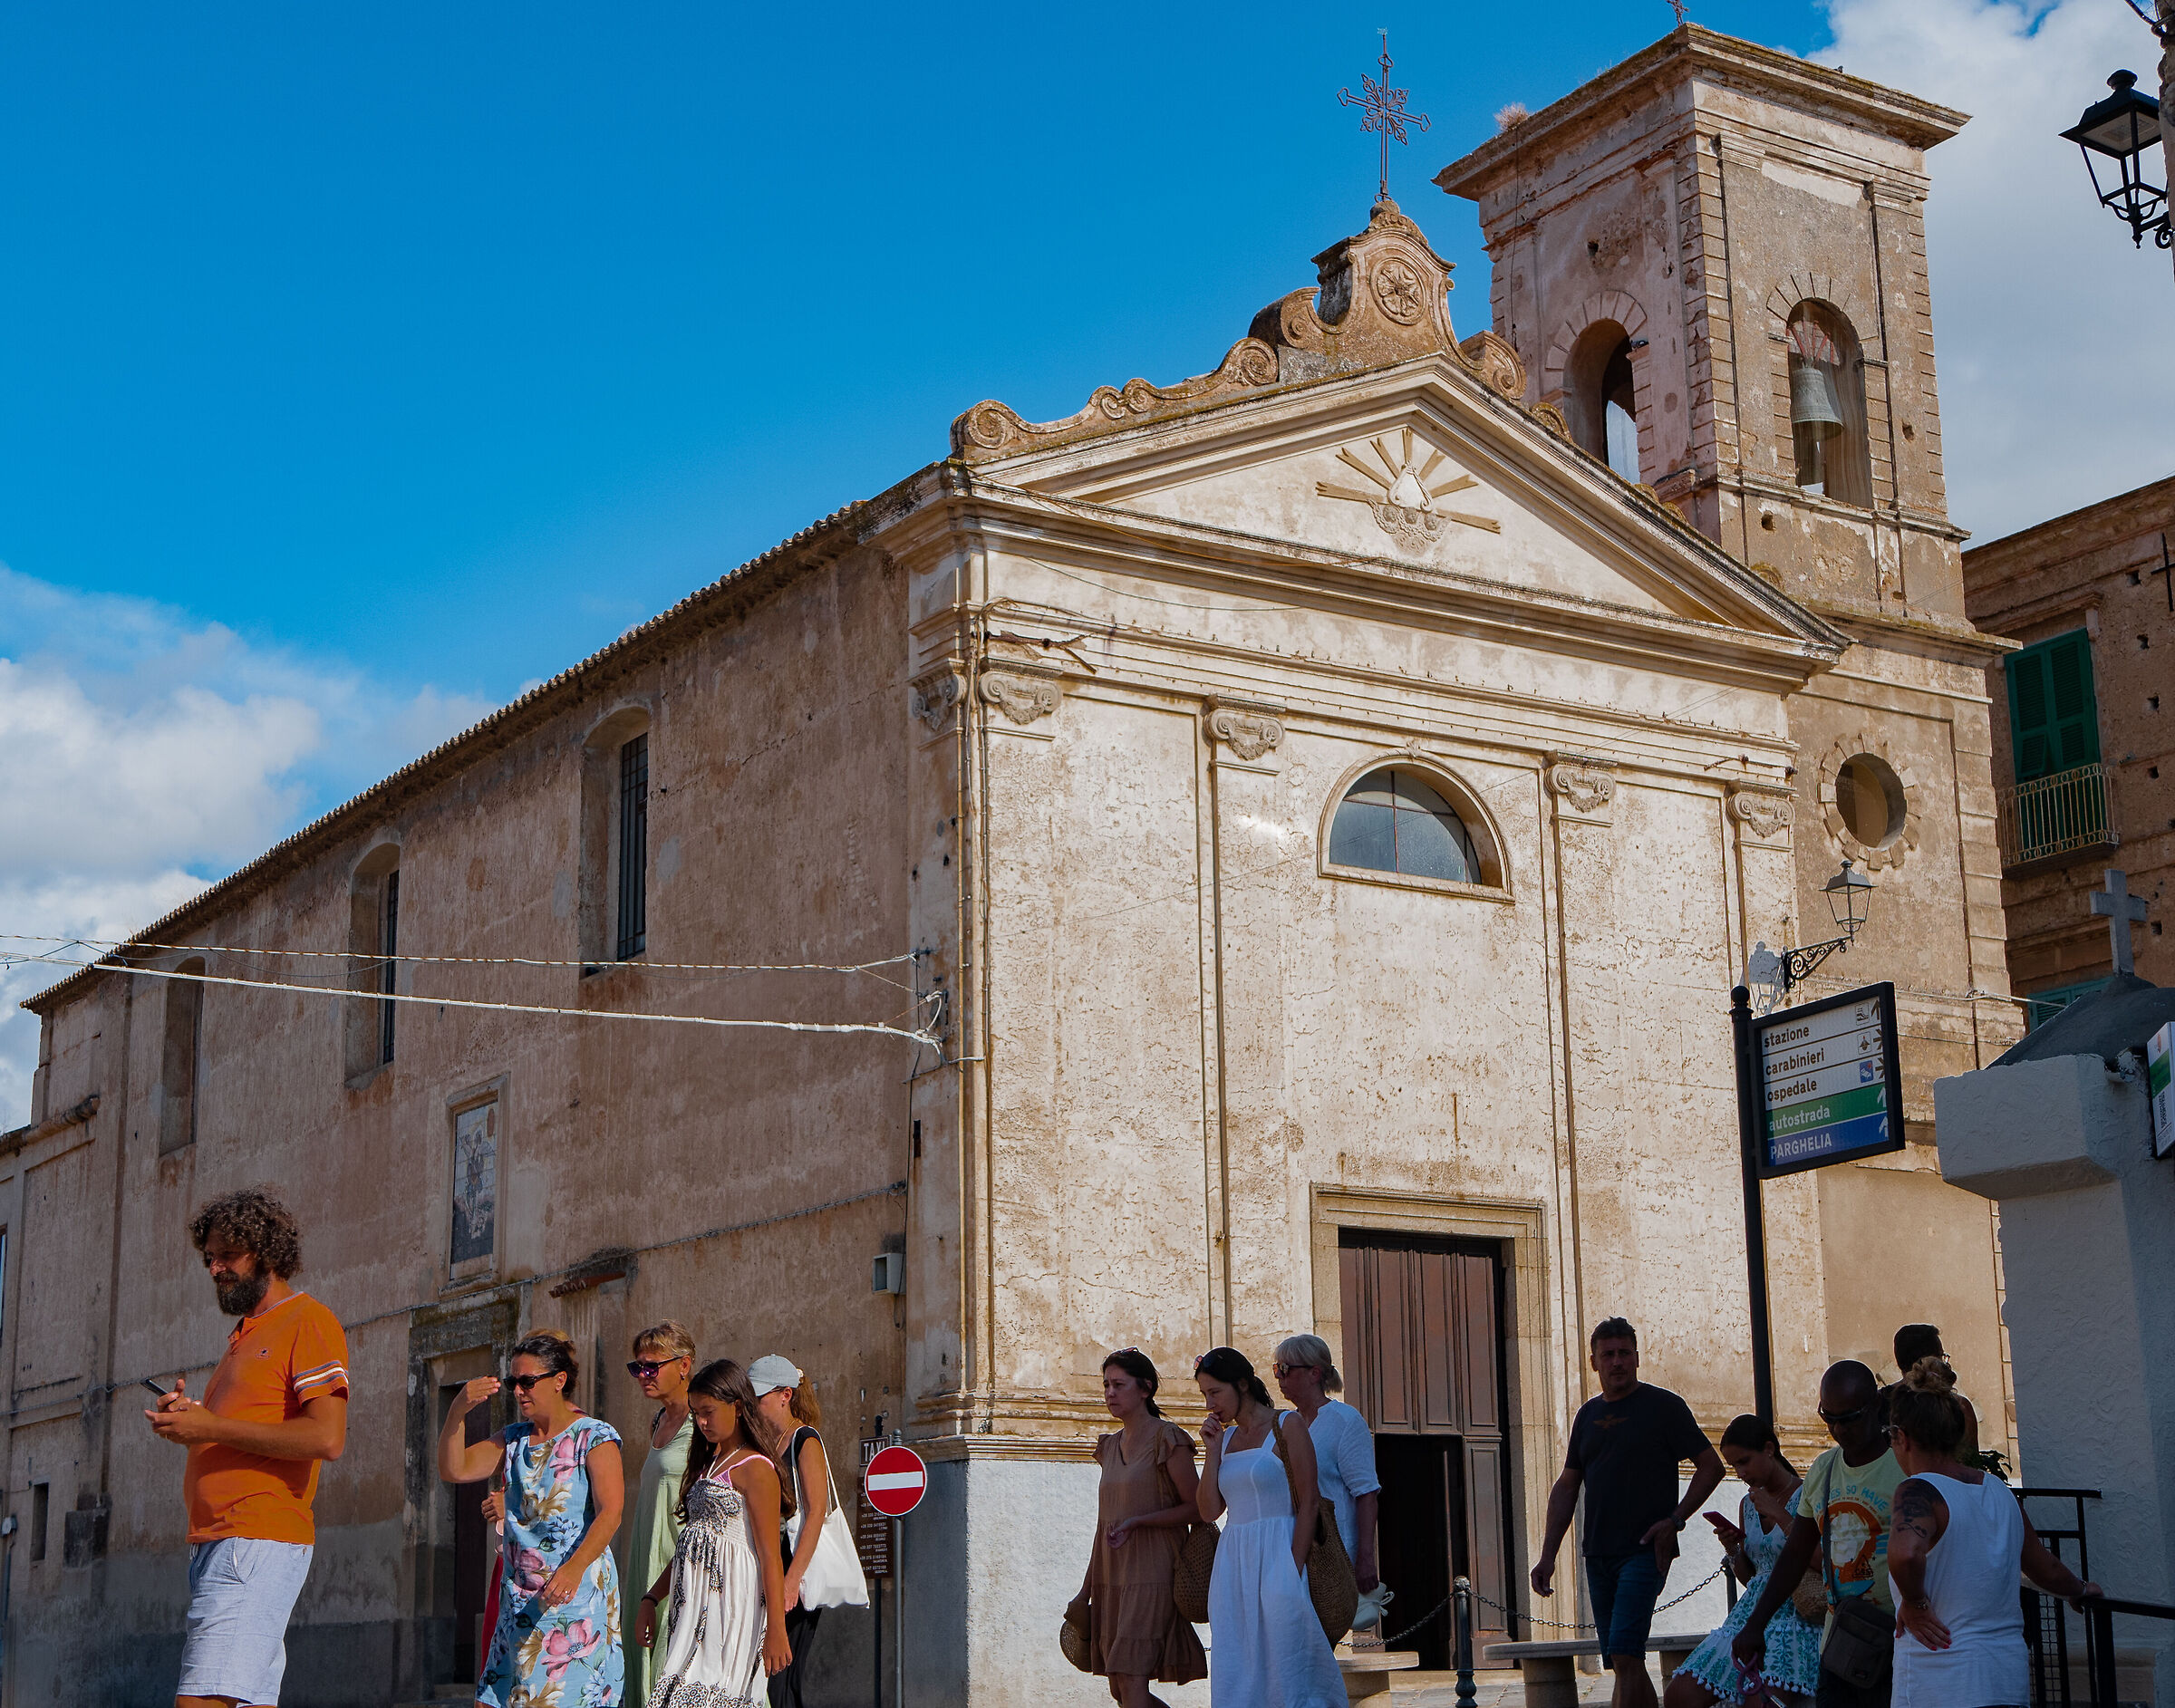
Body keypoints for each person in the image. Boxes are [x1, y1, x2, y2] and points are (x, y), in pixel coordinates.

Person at [144, 1188, 351, 1708]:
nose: (216, 1268)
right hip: (224, 1544)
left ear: (267, 1252)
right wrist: (190, 1421)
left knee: (200, 1701)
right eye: (209, 1258)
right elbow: (231, 1430)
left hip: (253, 1540)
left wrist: (211, 1426)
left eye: (228, 1255)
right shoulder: (244, 1337)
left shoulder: (307, 1321)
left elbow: (326, 1438)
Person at [1532, 1318, 1725, 1708]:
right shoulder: (1586, 1416)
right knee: (1625, 1662)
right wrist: (1547, 1556)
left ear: (1637, 1358)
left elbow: (1711, 1466)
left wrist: (1675, 1521)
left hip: (1645, 1551)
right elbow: (1567, 1486)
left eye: (1624, 1353)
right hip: (1598, 1555)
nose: (1617, 1361)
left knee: (1624, 1652)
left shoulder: (1664, 1407)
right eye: (1608, 1355)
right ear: (1594, 1362)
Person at [1887, 1356, 2100, 1707]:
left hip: (1942, 1683)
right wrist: (2080, 1589)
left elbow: (1905, 1553)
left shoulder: (1918, 1490)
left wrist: (1915, 1604)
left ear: (1902, 1438)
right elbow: (2043, 1566)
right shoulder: (1999, 1491)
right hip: (2006, 1679)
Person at [439, 1328, 625, 1708]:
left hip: (573, 1604)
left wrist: (573, 1570)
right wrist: (457, 1410)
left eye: (528, 1381)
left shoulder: (594, 1436)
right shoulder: (513, 1439)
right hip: (518, 1603)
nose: (519, 1391)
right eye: (513, 1383)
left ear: (559, 1380)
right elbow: (454, 1468)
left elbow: (611, 1512)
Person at [1732, 1361, 1900, 1708]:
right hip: (1841, 1645)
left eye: (1849, 1418)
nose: (1838, 1429)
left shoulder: (1903, 1468)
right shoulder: (1823, 1469)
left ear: (1875, 1406)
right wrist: (1756, 1624)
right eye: (1829, 1418)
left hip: (1898, 1644)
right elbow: (1795, 1554)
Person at [1194, 1346, 1345, 1708]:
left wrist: (1291, 1570)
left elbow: (1309, 1502)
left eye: (1215, 1392)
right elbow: (1209, 1511)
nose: (1210, 1403)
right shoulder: (1225, 1439)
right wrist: (1212, 1451)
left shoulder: (1287, 1425)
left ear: (1242, 1384)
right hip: (1234, 1562)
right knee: (1237, 1659)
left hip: (1281, 1553)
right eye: (1204, 1394)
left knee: (1287, 1659)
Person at [637, 1358, 794, 1704]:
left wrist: (777, 1628)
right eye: (696, 1414)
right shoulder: (707, 1465)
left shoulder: (756, 1469)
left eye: (708, 1412)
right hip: (691, 1610)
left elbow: (770, 1556)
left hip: (731, 1611)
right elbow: (692, 1546)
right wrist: (651, 1598)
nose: (701, 1422)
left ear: (737, 1407)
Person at [1068, 1348, 1207, 1706]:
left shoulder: (1169, 1439)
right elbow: (1104, 1525)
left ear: (1145, 1388)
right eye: (1106, 1385)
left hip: (1155, 1572)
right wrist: (1085, 1590)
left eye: (1119, 1385)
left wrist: (1140, 1521)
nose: (1110, 1393)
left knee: (1130, 1680)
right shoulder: (1109, 1446)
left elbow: (1198, 1508)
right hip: (1112, 1576)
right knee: (1120, 1687)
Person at [1665, 1415, 1820, 1708]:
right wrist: (1733, 1549)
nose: (1741, 1473)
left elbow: (1823, 1560)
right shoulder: (1748, 1504)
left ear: (1769, 1450)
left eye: (1744, 1461)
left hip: (1795, 1613)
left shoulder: (1807, 1495)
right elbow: (1752, 1578)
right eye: (1734, 1465)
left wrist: (1779, 1515)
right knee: (1680, 1694)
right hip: (1749, 1614)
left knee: (1760, 1701)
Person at [749, 1354, 836, 1708]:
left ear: (785, 1395)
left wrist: (791, 1581)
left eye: (759, 1397)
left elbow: (816, 1513)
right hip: (765, 1568)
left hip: (794, 1572)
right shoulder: (762, 1443)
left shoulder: (805, 1439)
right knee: (763, 1678)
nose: (752, 1405)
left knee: (783, 1678)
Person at [1272, 1335, 1381, 1598]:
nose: (1279, 1378)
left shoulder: (1344, 1421)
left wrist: (1366, 1558)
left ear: (1314, 1373)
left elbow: (1366, 1493)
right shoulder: (1285, 1424)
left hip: (1332, 1550)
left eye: (1285, 1369)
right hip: (1291, 1547)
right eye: (1276, 1369)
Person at [625, 1321, 698, 1708]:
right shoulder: (658, 1420)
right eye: (637, 1367)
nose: (643, 1376)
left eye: (652, 1366)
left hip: (678, 1554)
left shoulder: (701, 1423)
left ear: (684, 1365)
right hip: (646, 1555)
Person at [1880, 1327, 1980, 1462]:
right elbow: (1971, 1462)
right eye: (1941, 1356)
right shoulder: (1960, 1406)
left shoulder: (1876, 1402)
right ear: (1933, 1361)